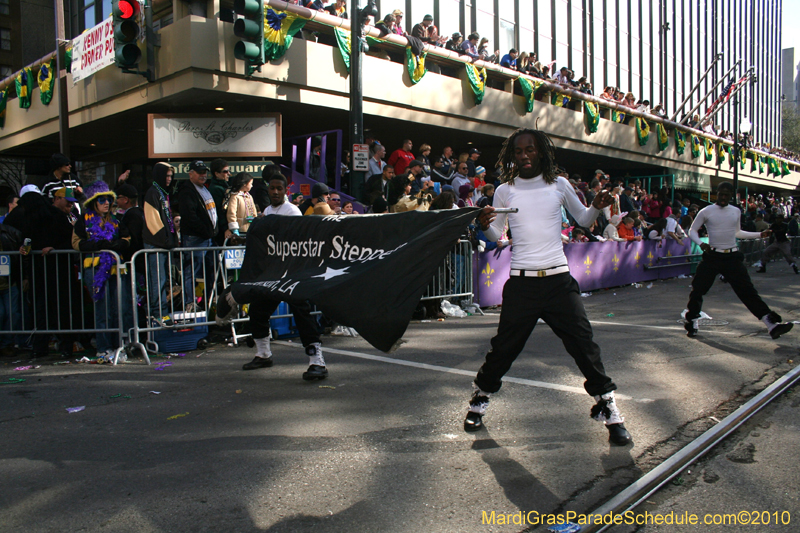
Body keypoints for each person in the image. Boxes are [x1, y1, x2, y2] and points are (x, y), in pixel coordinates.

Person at [465, 128, 632, 446]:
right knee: (504, 348)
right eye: (518, 151)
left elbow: (583, 218)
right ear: (512, 156)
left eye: (530, 149)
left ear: (541, 151)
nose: (524, 155)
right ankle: (479, 398)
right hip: (522, 283)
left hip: (558, 281)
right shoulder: (504, 190)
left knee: (584, 345)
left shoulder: (560, 184)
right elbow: (496, 236)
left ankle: (609, 407)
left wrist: (596, 205)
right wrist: (484, 226)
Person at [217, 172, 328, 381]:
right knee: (258, 310)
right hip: (273, 275)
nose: (275, 192)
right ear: (268, 190)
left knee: (301, 313)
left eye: (279, 188)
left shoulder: (292, 211)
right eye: (272, 188)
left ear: (285, 190)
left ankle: (317, 361)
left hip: (292, 275)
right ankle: (263, 354)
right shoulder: (267, 211)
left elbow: (299, 244)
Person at [684, 182, 793, 340]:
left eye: (726, 195)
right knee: (698, 289)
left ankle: (771, 325)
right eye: (720, 194)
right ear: (717, 193)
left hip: (732, 256)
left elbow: (737, 232)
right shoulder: (706, 211)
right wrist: (701, 244)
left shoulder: (736, 211)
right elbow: (692, 230)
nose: (723, 197)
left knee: (747, 291)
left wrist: (758, 235)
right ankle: (692, 321)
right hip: (712, 256)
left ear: (732, 196)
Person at [72, 181, 131, 362]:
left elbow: (127, 239)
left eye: (109, 200)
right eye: (102, 200)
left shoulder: (116, 221)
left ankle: (117, 346)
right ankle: (103, 347)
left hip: (114, 269)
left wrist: (118, 244)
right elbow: (76, 243)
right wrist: (96, 245)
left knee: (117, 308)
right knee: (102, 308)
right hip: (94, 269)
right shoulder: (84, 221)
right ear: (93, 203)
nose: (107, 203)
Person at [177, 160, 219, 311]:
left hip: (207, 238)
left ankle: (209, 300)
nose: (203, 175)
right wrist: (206, 231)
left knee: (209, 270)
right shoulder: (187, 191)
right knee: (191, 271)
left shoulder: (204, 189)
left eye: (204, 172)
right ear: (191, 173)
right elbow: (190, 216)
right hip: (195, 238)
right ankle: (190, 302)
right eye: (199, 172)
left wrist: (212, 231)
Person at [142, 162, 179, 319]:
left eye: (171, 176)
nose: (169, 179)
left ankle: (162, 313)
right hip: (155, 245)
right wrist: (166, 240)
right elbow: (153, 223)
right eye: (167, 175)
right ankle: (158, 315)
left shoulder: (163, 193)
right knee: (157, 281)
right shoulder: (153, 193)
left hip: (162, 244)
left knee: (163, 281)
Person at [225, 172, 258, 238]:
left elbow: (254, 212)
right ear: (244, 184)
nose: (252, 186)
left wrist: (255, 221)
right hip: (240, 229)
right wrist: (234, 228)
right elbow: (231, 213)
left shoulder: (249, 196)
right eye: (251, 184)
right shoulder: (235, 196)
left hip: (250, 229)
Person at [207, 159, 230, 245]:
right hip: (221, 230)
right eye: (225, 171)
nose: (228, 173)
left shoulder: (224, 186)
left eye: (229, 171)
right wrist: (225, 228)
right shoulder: (215, 189)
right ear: (216, 174)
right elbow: (220, 211)